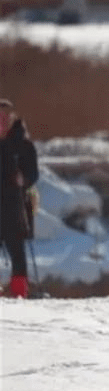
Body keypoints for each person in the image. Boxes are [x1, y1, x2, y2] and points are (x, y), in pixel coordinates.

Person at [0, 100, 40, 299]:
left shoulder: (22, 144)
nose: (2, 121)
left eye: (5, 117)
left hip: (15, 206)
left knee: (17, 252)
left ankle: (19, 294)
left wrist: (24, 179)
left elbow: (33, 173)